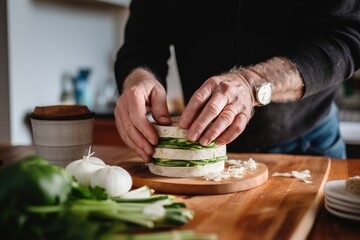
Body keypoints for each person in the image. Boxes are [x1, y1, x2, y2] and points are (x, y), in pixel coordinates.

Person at [114, 0, 360, 162]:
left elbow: (349, 35)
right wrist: (138, 78)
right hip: (200, 146)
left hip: (308, 142)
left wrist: (253, 83)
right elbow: (142, 40)